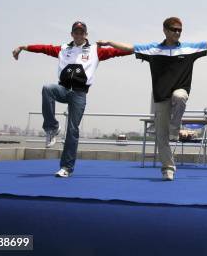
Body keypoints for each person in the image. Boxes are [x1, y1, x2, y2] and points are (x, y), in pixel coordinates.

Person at [98, 17, 207, 181]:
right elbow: (129, 47)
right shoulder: (153, 49)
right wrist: (109, 42)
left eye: (180, 30)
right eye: (174, 29)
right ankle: (168, 168)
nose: (177, 32)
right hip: (161, 96)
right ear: (165, 30)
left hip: (181, 90)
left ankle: (175, 127)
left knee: (179, 96)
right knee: (161, 137)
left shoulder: (188, 49)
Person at [12, 21, 132, 177]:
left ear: (86, 35)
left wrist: (135, 50)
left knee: (72, 130)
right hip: (62, 89)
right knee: (47, 88)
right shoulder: (63, 49)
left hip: (79, 94)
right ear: (72, 34)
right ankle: (52, 128)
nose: (79, 35)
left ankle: (66, 168)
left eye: (82, 32)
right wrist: (23, 47)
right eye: (76, 32)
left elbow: (121, 52)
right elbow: (43, 49)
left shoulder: (96, 50)